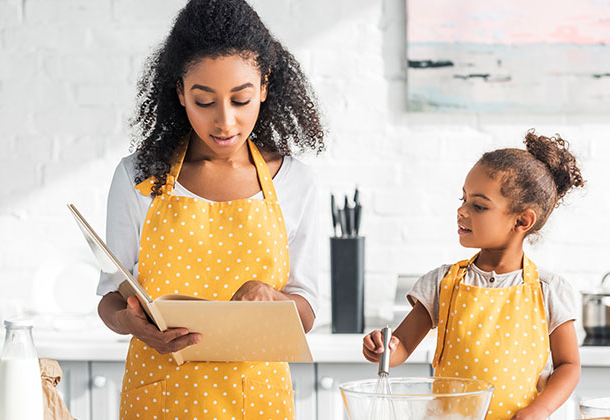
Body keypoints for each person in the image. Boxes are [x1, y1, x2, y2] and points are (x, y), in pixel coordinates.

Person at [95, 0, 325, 418]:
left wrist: (275, 298)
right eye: (205, 101)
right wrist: (133, 324)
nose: (225, 122)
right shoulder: (139, 177)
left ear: (265, 86)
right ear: (180, 92)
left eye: (241, 100)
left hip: (258, 401)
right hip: (159, 398)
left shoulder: (295, 183)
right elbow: (112, 296)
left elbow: (306, 311)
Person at [363, 130, 584, 420]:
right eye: (463, 198)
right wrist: (383, 347)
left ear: (522, 220)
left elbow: (568, 365)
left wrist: (538, 410)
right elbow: (401, 346)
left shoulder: (548, 290)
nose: (461, 210)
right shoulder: (443, 283)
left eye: (478, 205)